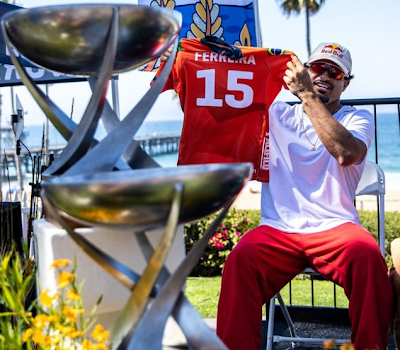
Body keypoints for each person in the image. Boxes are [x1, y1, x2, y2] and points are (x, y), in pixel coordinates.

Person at [216, 43, 393, 350]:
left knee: (368, 258)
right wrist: (183, 64)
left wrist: (307, 94)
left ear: (346, 82)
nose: (324, 75)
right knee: (239, 261)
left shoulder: (357, 118)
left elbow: (347, 153)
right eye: (317, 68)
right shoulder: (277, 114)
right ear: (305, 70)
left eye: (334, 71)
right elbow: (219, 105)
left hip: (335, 228)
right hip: (278, 229)